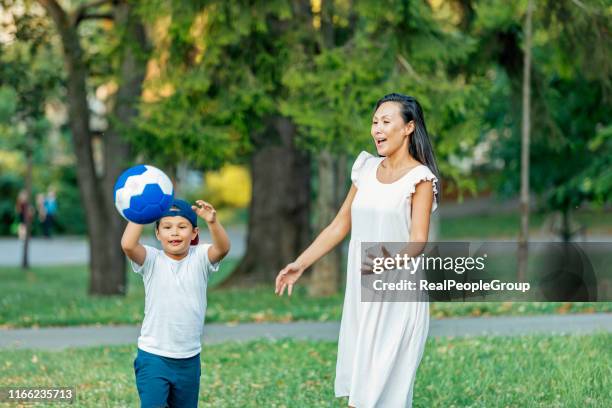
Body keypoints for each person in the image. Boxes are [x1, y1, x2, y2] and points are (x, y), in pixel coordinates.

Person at [275, 93, 440, 408]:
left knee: (375, 395)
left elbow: (418, 239)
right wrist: (301, 263)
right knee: (368, 392)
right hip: (362, 294)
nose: (377, 129)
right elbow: (339, 225)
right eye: (375, 122)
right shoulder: (365, 169)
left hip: (397, 297)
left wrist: (388, 262)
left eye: (386, 121)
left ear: (408, 128)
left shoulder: (420, 179)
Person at [121, 198, 230, 408]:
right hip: (153, 357)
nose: (174, 232)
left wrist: (213, 222)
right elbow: (128, 245)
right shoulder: (152, 259)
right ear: (157, 233)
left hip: (189, 359)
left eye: (182, 226)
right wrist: (141, 212)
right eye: (167, 227)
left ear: (194, 233)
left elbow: (223, 248)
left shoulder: (200, 258)